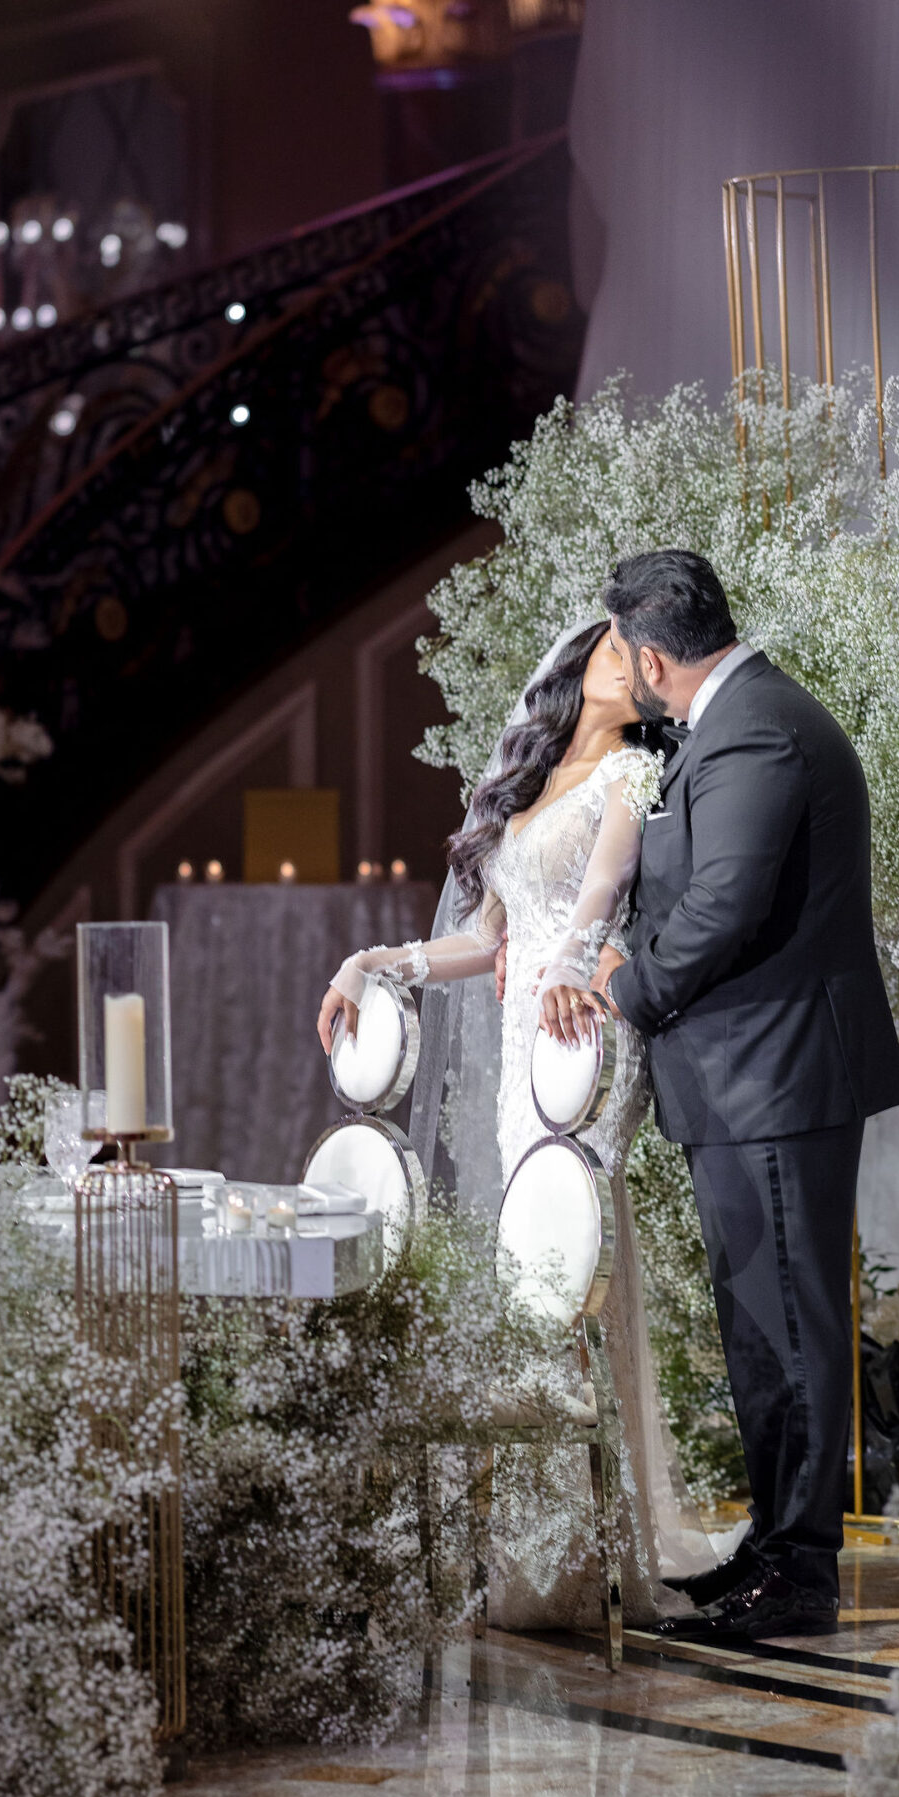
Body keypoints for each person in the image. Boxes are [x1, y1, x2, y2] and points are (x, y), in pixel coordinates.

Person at [317, 620, 726, 1630]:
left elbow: (601, 897)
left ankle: (594, 1556)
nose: (638, 666)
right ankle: (544, 1553)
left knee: (573, 1256)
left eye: (647, 656)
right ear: (582, 660)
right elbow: (480, 938)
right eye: (620, 649)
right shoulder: (525, 783)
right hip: (520, 1045)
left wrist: (566, 969)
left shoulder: (632, 773)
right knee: (527, 1268)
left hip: (580, 1033)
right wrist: (374, 964)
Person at [578, 548, 899, 1641]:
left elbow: (724, 903)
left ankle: (800, 1574)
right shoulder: (734, 721)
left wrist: (629, 989)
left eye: (622, 653)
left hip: (774, 1072)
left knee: (789, 1326)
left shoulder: (756, 729)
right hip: (750, 1077)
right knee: (761, 1326)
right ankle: (775, 1546)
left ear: (651, 657)